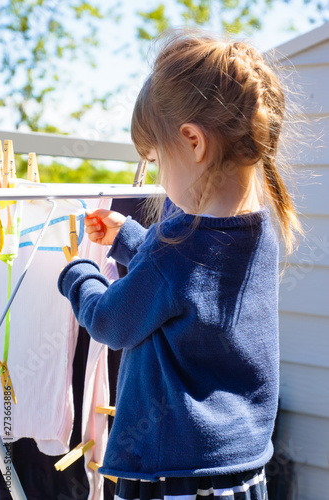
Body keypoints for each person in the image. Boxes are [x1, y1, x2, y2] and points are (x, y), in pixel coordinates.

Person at [58, 27, 303, 500]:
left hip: (176, 475)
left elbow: (112, 321)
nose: (157, 178)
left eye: (155, 161)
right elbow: (193, 286)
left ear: (193, 141)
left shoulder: (176, 248)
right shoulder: (258, 230)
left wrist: (77, 274)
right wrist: (130, 238)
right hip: (241, 468)